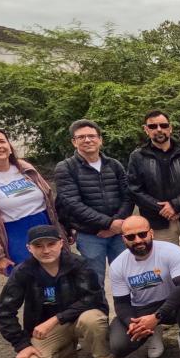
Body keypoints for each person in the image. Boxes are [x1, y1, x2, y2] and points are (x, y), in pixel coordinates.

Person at [0, 224, 115, 358]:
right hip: (49, 329)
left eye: (51, 244)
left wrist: (56, 319)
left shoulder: (78, 264)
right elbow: (4, 311)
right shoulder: (22, 272)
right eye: (38, 246)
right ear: (29, 248)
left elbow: (94, 298)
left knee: (94, 319)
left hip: (80, 318)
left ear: (60, 243)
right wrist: (21, 345)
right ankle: (67, 349)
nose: (46, 250)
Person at [126, 110, 180, 303]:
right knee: (163, 267)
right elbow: (134, 189)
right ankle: (171, 308)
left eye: (163, 125)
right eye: (153, 126)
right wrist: (162, 208)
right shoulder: (138, 156)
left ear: (170, 127)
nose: (159, 129)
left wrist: (175, 205)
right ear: (146, 129)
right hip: (159, 222)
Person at [0, 127, 65, 275]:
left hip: (45, 227)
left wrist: (61, 230)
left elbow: (49, 201)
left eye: (2, 141)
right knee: (30, 284)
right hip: (16, 236)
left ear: (9, 147)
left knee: (60, 278)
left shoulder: (25, 168)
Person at [108, 216, 180, 358]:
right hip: (142, 309)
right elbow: (121, 303)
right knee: (118, 346)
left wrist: (157, 317)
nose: (138, 240)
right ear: (124, 239)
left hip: (170, 303)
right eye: (131, 237)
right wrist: (133, 324)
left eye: (142, 234)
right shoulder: (117, 265)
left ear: (151, 233)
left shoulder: (172, 251)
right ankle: (153, 333)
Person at [54, 119, 133, 289]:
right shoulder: (65, 168)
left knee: (128, 276)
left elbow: (128, 196)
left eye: (91, 136)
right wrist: (108, 223)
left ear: (100, 140)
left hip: (119, 233)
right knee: (94, 282)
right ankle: (99, 314)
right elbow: (72, 203)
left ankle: (130, 314)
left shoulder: (114, 165)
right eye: (81, 137)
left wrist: (116, 224)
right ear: (74, 142)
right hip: (90, 235)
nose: (87, 140)